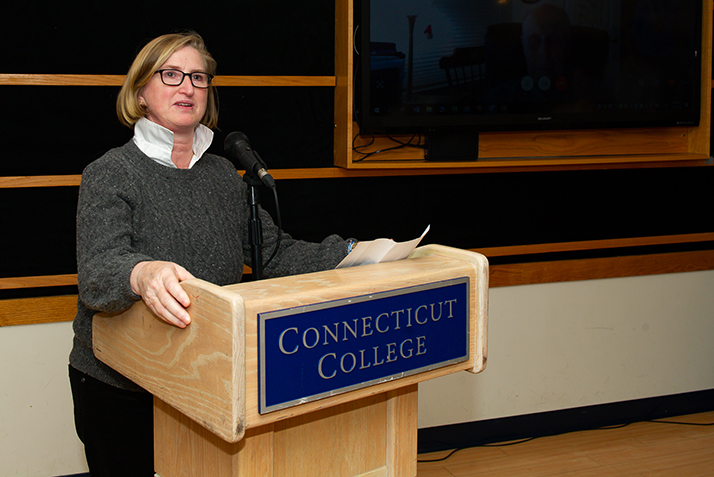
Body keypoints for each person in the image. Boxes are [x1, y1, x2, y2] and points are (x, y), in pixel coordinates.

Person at [68, 31, 356, 476]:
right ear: (141, 92)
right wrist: (141, 273)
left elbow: (274, 254)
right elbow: (98, 273)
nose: (188, 87)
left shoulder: (224, 174)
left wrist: (353, 255)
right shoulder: (109, 173)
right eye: (171, 74)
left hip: (204, 377)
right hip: (121, 386)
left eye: (199, 78)